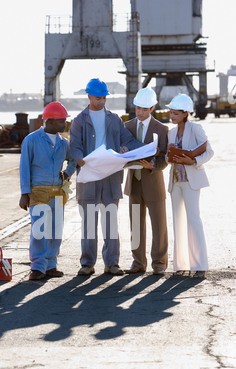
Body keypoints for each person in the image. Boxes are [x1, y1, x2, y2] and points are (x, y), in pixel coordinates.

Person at [70, 78, 144, 276]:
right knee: (88, 223)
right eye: (98, 97)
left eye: (104, 97)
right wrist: (79, 158)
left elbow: (127, 140)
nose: (102, 101)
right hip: (89, 177)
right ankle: (87, 263)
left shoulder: (114, 119)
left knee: (110, 221)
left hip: (110, 177)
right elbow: (75, 144)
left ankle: (112, 263)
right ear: (89, 96)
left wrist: (141, 150)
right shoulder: (79, 120)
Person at [19, 102, 76, 281]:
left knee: (55, 230)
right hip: (38, 192)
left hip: (57, 193)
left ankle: (51, 265)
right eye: (61, 121)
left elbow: (73, 160)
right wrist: (24, 193)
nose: (64, 124)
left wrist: (67, 173)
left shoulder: (63, 143)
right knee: (39, 230)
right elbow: (24, 167)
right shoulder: (31, 140)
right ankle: (37, 267)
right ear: (50, 121)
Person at [165, 93, 214, 278]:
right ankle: (181, 265)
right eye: (170, 113)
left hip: (191, 180)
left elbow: (209, 152)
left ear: (185, 113)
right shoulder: (170, 132)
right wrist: (169, 156)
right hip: (175, 182)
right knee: (178, 221)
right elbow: (167, 157)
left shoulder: (195, 128)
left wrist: (192, 161)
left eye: (175, 113)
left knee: (194, 220)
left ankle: (200, 265)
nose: (172, 116)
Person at [124, 88, 169, 275]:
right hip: (134, 182)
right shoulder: (127, 127)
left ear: (152, 108)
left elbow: (166, 156)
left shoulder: (162, 129)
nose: (140, 113)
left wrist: (154, 165)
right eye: (137, 108)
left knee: (159, 225)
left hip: (153, 181)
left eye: (144, 109)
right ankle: (138, 263)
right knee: (136, 224)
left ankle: (159, 264)